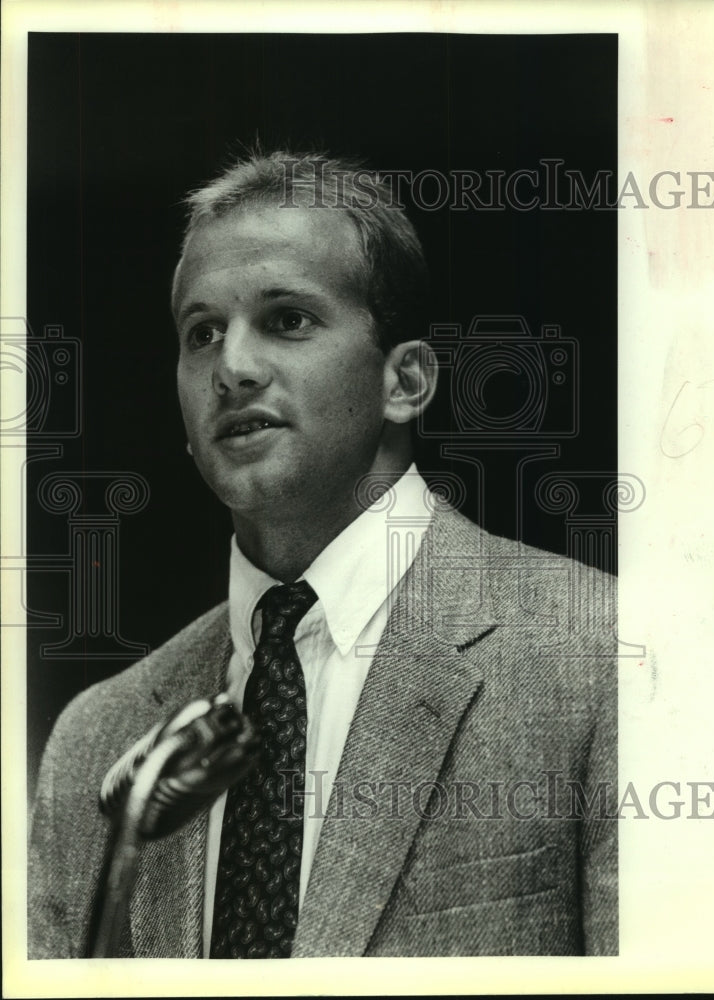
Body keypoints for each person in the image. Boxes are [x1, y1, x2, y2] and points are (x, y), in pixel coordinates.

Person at [28, 149, 617, 959]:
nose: (230, 368)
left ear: (403, 382)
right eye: (202, 334)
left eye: (287, 320)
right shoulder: (96, 739)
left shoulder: (603, 655)